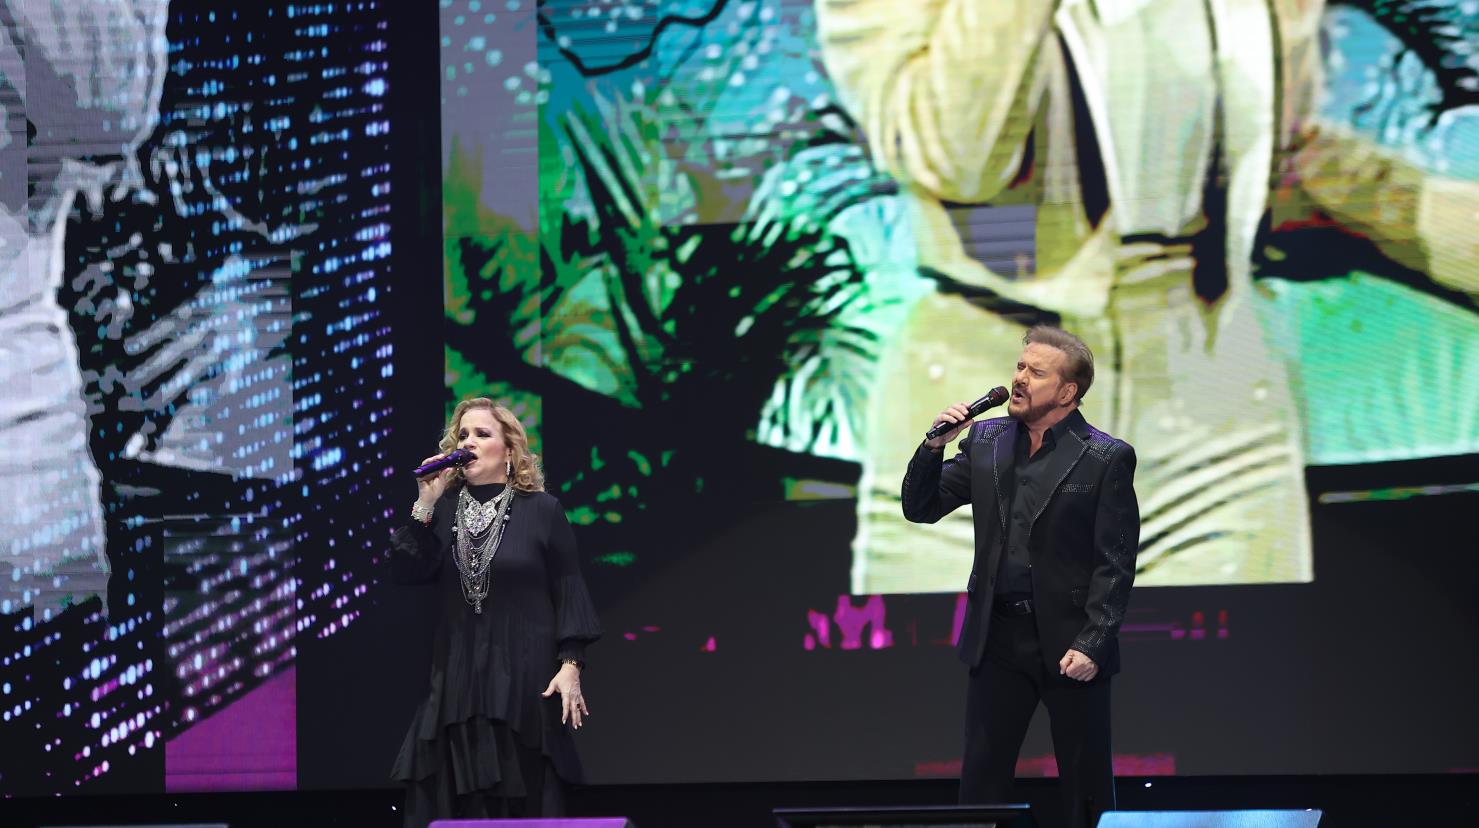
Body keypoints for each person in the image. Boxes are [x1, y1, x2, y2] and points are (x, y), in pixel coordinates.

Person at [816, 0, 1479, 594]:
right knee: (956, 711)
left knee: (1234, 705)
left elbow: (1285, 160)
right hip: (988, 396)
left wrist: (1447, 232)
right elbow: (955, 154)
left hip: (1213, 393)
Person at [901, 326, 1138, 828]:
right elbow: (921, 507)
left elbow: (1115, 562)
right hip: (998, 638)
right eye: (1019, 366)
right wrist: (932, 447)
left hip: (1070, 641)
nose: (1020, 378)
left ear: (1068, 392)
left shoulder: (1105, 457)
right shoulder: (986, 440)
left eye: (1036, 371)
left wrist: (1094, 642)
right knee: (981, 781)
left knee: (1085, 782)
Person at [388, 398, 602, 826]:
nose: (468, 442)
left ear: (509, 450)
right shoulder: (443, 511)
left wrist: (571, 663)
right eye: (462, 435)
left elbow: (569, 588)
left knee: (524, 785)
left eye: (481, 434)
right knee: (448, 788)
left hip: (525, 674)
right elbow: (407, 570)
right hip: (458, 676)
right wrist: (425, 502)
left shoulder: (542, 510)